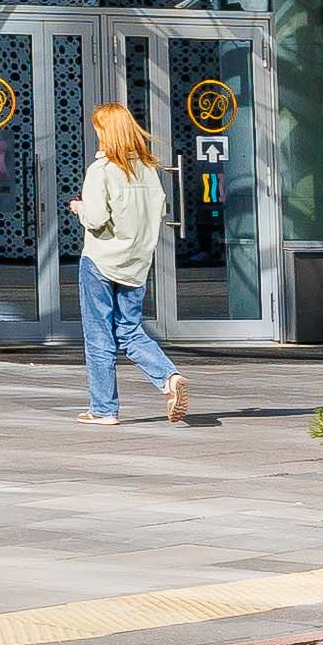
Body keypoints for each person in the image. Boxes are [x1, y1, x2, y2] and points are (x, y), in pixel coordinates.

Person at [65, 105, 190, 428]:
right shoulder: (149, 170)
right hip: (136, 263)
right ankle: (169, 377)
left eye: (98, 128)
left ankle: (103, 409)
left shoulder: (101, 170)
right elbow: (158, 213)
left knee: (98, 336)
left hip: (100, 261)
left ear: (105, 132)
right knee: (129, 330)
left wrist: (78, 207)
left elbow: (96, 219)